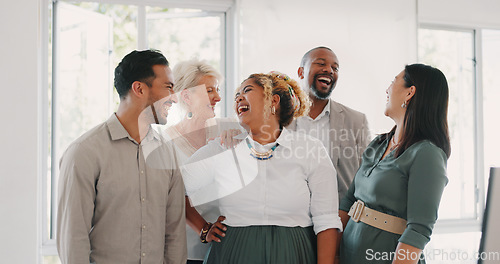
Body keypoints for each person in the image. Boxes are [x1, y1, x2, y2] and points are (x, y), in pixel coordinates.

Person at [181, 72, 342, 264]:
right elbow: (173, 190)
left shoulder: (311, 150)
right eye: (236, 96)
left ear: (273, 100)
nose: (238, 98)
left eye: (247, 90)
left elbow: (327, 220)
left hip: (294, 253)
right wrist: (203, 228)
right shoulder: (222, 148)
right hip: (232, 254)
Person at [56, 49, 187, 264]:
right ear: (139, 89)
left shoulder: (167, 152)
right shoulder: (84, 152)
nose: (174, 97)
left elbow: (174, 233)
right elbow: (73, 237)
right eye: (168, 87)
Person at [338, 64, 450, 264]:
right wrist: (334, 255)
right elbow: (348, 202)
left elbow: (418, 229)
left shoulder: (427, 154)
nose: (387, 89)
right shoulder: (378, 144)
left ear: (410, 92)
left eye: (393, 81)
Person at [156, 59, 223, 264]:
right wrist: (204, 229)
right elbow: (169, 197)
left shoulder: (228, 133)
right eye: (210, 90)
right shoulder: (164, 142)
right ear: (186, 95)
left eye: (218, 90)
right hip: (182, 253)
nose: (218, 97)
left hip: (226, 248)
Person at [289, 46, 371, 201]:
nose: (329, 70)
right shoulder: (278, 117)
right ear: (301, 72)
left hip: (339, 218)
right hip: (290, 217)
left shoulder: (357, 121)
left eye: (335, 68)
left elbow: (367, 174)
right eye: (321, 63)